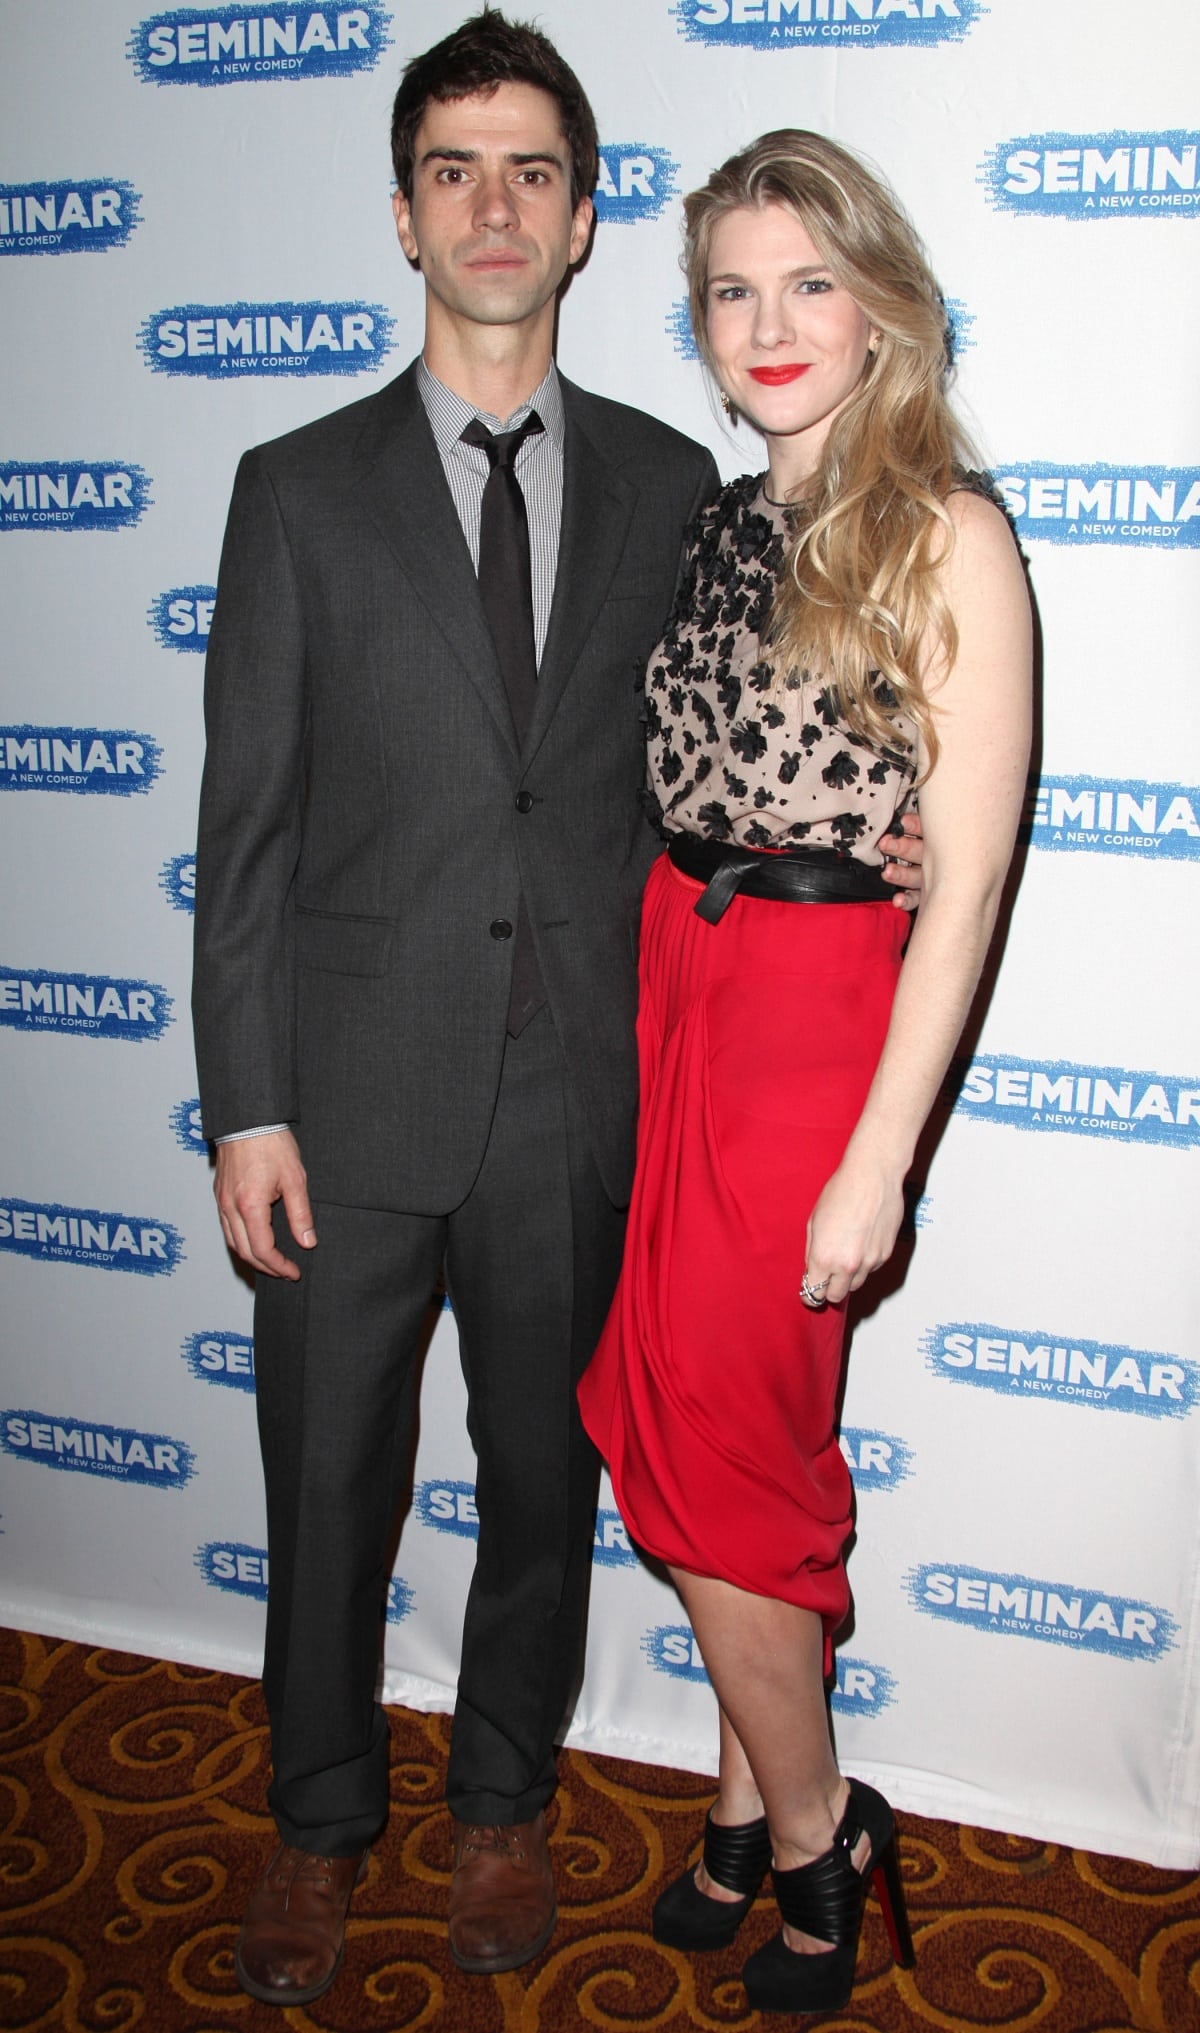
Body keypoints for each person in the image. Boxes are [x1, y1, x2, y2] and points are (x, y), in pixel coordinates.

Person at [192, 15, 924, 2006]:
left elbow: (746, 747)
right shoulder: (295, 490)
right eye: (455, 170)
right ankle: (320, 1817)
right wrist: (243, 1100)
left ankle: (505, 1796)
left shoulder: (684, 482)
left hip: (592, 1096)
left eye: (534, 171)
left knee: (544, 1482)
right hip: (343, 1100)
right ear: (407, 213)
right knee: (326, 1494)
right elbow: (240, 832)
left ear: (588, 218)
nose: (495, 205)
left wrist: (905, 824)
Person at [578, 129, 1032, 2018]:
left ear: (881, 303)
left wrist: (882, 1159)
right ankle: (750, 1794)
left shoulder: (949, 531)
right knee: (668, 1417)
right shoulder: (714, 513)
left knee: (717, 1439)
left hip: (811, 1020)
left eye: (807, 283)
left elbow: (971, 871)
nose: (767, 325)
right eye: (729, 291)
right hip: (677, 977)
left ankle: (824, 1819)